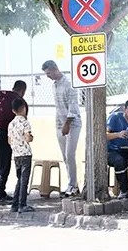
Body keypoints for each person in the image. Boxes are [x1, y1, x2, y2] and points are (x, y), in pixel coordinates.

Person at [42, 60, 81, 197]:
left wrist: (67, 125)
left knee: (70, 154)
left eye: (49, 73)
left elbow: (73, 107)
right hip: (59, 123)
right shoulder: (54, 85)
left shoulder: (69, 84)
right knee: (65, 156)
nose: (48, 76)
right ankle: (72, 183)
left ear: (55, 69)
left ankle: (73, 185)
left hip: (72, 124)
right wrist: (61, 125)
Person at [7, 97, 35, 213]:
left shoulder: (11, 124)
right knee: (24, 180)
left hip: (16, 154)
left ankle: (15, 204)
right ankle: (22, 204)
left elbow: (9, 140)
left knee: (19, 179)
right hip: (25, 154)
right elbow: (28, 137)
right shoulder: (24, 122)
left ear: (13, 111)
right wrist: (30, 138)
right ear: (23, 108)